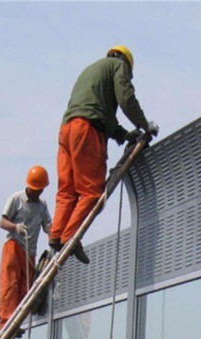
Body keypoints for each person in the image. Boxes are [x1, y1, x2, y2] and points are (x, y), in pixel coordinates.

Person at [49, 45, 155, 265]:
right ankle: (70, 237)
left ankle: (57, 234)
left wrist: (125, 135)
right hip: (88, 131)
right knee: (91, 191)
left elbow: (105, 115)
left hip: (67, 130)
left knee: (67, 190)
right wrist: (144, 125)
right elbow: (125, 98)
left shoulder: (92, 70)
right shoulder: (119, 66)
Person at [0, 165, 52, 332]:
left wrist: (54, 236)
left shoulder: (42, 205)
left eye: (40, 190)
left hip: (30, 252)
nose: (37, 192)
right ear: (29, 185)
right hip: (14, 246)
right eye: (35, 189)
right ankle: (5, 324)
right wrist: (15, 227)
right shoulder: (16, 199)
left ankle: (15, 322)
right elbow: (2, 222)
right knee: (10, 284)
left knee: (24, 289)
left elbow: (47, 225)